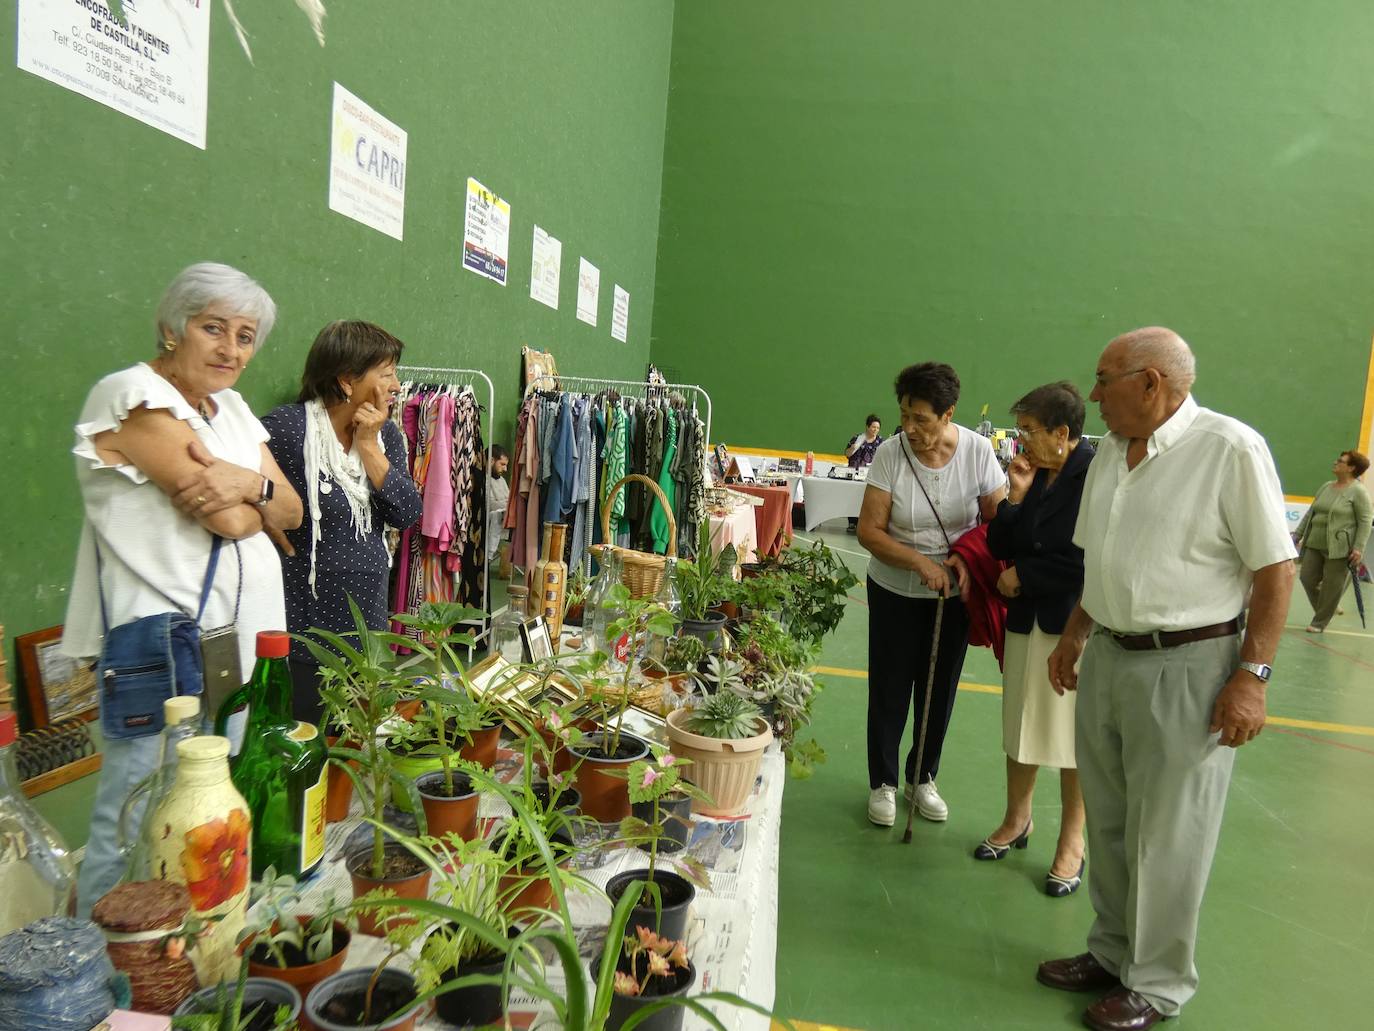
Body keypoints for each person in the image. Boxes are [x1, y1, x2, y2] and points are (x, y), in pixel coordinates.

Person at [1038, 328, 1295, 1031]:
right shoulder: (1112, 454)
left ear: (1151, 383)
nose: (1093, 395)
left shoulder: (1229, 449)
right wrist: (1076, 636)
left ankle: (1157, 983)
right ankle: (1113, 952)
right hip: (1111, 658)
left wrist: (1253, 675)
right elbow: (1103, 560)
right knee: (1114, 820)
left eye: (1104, 379)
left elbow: (1276, 569)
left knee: (1171, 835)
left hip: (1191, 662)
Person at [62, 262, 303, 914]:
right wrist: (255, 498)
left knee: (207, 801)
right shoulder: (131, 395)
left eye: (246, 335)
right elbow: (228, 519)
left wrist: (247, 486)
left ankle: (188, 942)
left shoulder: (230, 410)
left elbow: (293, 510)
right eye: (212, 328)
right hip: (163, 642)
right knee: (138, 808)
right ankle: (102, 966)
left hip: (234, 643)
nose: (231, 349)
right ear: (173, 327)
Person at [856, 362, 1006, 827]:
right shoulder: (889, 455)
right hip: (894, 591)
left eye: (921, 418)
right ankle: (882, 783)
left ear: (948, 414)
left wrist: (964, 558)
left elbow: (998, 524)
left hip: (953, 597)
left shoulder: (979, 453)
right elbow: (868, 531)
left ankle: (922, 778)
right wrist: (920, 562)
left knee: (939, 691)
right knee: (890, 687)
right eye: (904, 415)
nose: (910, 428)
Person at [965, 381, 1094, 897]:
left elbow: (1089, 559)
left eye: (1030, 432)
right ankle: (1017, 819)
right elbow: (1003, 540)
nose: (1022, 443)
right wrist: (1015, 498)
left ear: (1063, 433)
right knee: (1020, 723)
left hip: (1071, 626)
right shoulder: (1038, 473)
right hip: (1026, 624)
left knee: (1069, 738)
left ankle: (1072, 842)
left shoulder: (1093, 476)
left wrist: (1028, 577)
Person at [261, 321, 423, 723]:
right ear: (347, 380)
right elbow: (249, 486)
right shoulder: (287, 429)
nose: (396, 385)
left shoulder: (387, 439)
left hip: (367, 626)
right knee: (307, 743)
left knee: (359, 744)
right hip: (304, 631)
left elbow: (406, 512)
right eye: (386, 374)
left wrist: (368, 445)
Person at [1293, 449, 1371, 633]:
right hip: (1314, 542)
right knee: (1307, 578)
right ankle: (1330, 604)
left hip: (1340, 547)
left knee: (1332, 586)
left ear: (1351, 468)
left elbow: (1365, 521)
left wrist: (1358, 548)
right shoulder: (1326, 486)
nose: (1335, 463)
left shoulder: (1358, 492)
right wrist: (1298, 534)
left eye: (1341, 461)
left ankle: (1319, 622)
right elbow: (1311, 512)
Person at [845, 414, 884, 531]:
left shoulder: (881, 441)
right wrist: (853, 447)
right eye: (873, 427)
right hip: (855, 473)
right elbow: (847, 454)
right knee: (853, 498)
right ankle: (852, 522)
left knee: (868, 499)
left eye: (877, 428)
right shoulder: (857, 438)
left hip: (871, 475)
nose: (875, 430)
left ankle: (865, 523)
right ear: (867, 427)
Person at [487, 443, 511, 564]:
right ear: (491, 461)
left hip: (506, 517)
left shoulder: (502, 480)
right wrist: (508, 504)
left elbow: (509, 501)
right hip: (490, 519)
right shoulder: (484, 479)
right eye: (502, 464)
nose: (505, 469)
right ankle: (489, 554)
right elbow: (490, 504)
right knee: (496, 514)